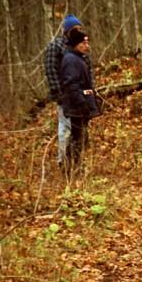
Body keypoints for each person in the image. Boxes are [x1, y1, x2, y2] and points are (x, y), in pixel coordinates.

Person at [44, 14, 94, 168]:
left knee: (79, 131)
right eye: (74, 28)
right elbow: (51, 71)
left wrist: (89, 93)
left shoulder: (79, 47)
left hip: (79, 96)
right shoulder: (56, 46)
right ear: (66, 30)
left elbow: (87, 71)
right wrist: (59, 93)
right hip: (66, 96)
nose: (78, 31)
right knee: (65, 129)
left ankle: (75, 162)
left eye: (79, 28)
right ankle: (63, 161)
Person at [59, 29, 99, 172]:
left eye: (88, 42)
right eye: (83, 43)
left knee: (81, 137)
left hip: (81, 105)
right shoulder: (71, 60)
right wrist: (82, 102)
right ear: (76, 44)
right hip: (76, 106)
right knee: (78, 138)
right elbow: (71, 85)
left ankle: (74, 165)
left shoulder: (78, 58)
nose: (87, 46)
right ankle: (70, 167)